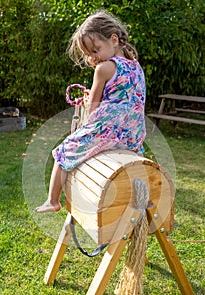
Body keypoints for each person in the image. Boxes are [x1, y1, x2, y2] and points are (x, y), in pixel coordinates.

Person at [36, 9, 146, 213]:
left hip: (109, 132)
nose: (93, 58)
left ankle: (53, 201)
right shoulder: (136, 66)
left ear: (114, 40)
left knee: (63, 150)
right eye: (89, 54)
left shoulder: (104, 69)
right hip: (134, 137)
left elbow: (93, 106)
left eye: (95, 51)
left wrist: (88, 106)